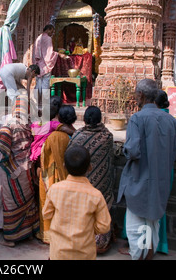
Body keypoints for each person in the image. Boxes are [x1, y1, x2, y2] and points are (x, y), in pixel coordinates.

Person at [117, 79, 176, 260]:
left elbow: (132, 151)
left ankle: (141, 257)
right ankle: (148, 255)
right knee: (151, 226)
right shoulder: (169, 119)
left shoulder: (137, 118)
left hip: (139, 180)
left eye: (135, 94)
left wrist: (123, 148)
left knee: (138, 228)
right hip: (160, 181)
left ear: (140, 95)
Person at [42, 145, 111, 260]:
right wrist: (88, 229)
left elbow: (46, 214)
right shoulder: (96, 195)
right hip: (84, 253)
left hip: (59, 252)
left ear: (64, 166)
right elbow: (104, 226)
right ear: (90, 167)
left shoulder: (54, 189)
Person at [68, 106, 115, 253]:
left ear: (84, 119)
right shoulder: (107, 137)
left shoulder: (77, 137)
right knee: (101, 207)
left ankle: (81, 239)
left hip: (82, 182)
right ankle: (100, 242)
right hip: (101, 183)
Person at [0, 94, 39, 247]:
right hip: (27, 168)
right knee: (27, 201)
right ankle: (28, 233)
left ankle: (11, 238)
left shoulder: (11, 124)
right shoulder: (29, 124)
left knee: (11, 203)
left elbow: (1, 144)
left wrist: (7, 156)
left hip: (13, 170)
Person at [37, 105, 77, 244]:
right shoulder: (75, 136)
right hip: (69, 177)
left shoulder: (53, 136)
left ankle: (48, 235)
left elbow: (44, 156)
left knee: (46, 203)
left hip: (51, 177)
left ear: (59, 118)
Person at [154, 89, 172, 254]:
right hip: (165, 169)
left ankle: (144, 249)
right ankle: (160, 244)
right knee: (160, 207)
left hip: (148, 170)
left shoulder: (143, 118)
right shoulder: (171, 120)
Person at [32, 24, 67, 104]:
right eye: (52, 31)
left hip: (38, 65)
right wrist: (59, 54)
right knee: (45, 84)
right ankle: (44, 102)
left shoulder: (39, 38)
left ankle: (37, 101)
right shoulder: (48, 38)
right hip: (45, 65)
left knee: (38, 83)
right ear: (48, 29)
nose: (52, 33)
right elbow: (49, 54)